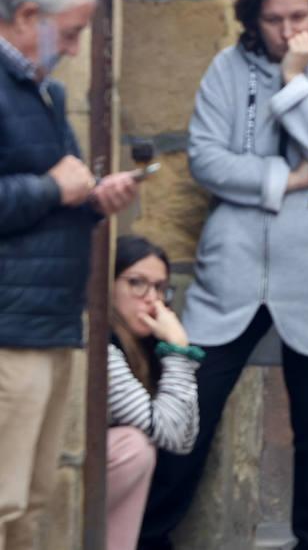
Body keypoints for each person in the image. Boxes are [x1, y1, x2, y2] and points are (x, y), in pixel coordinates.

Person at [139, 0, 308, 550]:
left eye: (298, 17)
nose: (286, 31)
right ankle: (146, 536)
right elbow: (206, 158)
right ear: (253, 20)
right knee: (188, 410)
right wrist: (283, 180)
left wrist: (295, 82)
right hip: (235, 271)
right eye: (273, 19)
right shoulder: (228, 68)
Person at [0, 0, 140, 548]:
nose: (78, 49)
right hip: (10, 330)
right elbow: (39, 187)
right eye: (74, 31)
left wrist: (89, 198)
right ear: (29, 15)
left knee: (31, 500)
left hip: (49, 323)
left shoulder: (44, 91)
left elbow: (53, 191)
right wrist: (54, 187)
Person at [106, 236, 199, 550]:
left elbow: (183, 440)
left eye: (160, 288)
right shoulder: (103, 345)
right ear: (108, 284)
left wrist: (171, 355)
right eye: (137, 284)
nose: (152, 299)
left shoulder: (146, 346)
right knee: (135, 448)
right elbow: (170, 432)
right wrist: (178, 353)